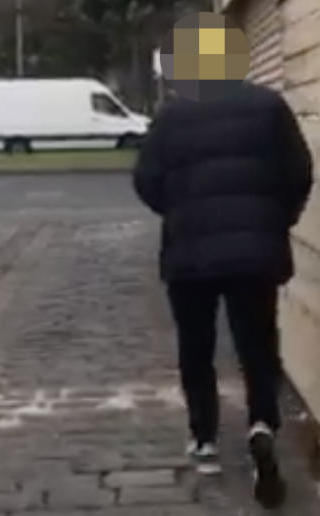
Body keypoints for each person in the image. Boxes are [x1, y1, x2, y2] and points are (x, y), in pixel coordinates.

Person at [134, 80, 313, 508]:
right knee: (257, 341)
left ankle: (204, 436)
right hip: (255, 250)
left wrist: (179, 210)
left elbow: (146, 178)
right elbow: (299, 172)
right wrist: (275, 220)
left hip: (190, 250)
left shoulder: (172, 114)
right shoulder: (269, 105)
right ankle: (262, 423)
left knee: (196, 345)